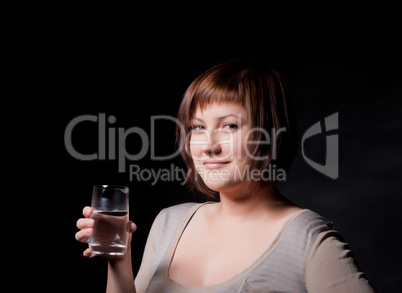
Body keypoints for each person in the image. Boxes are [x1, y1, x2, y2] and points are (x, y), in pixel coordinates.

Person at [75, 59, 375, 292]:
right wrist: (119, 260)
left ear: (270, 136)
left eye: (230, 125)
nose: (209, 146)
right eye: (198, 127)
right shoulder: (169, 223)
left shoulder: (308, 239)